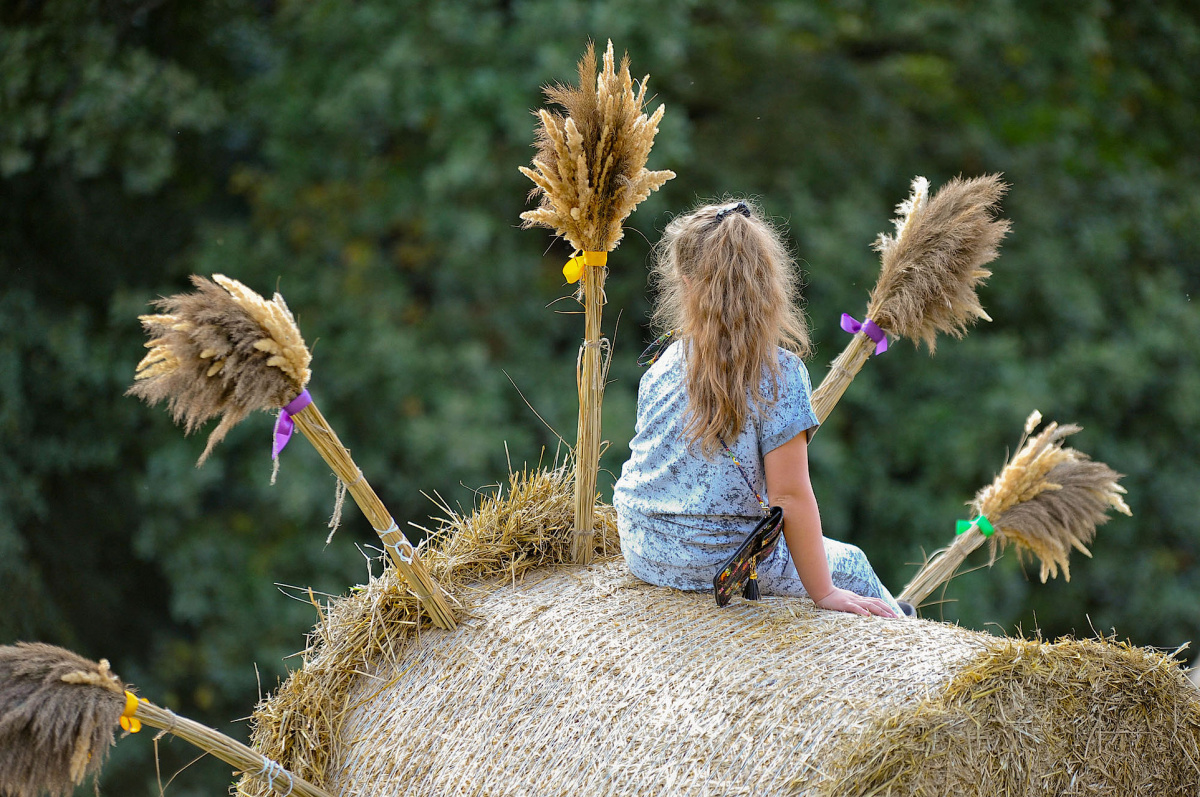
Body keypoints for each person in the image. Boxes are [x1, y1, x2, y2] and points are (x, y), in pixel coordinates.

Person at [613, 199, 906, 619]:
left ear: (684, 282)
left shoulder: (663, 361)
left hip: (642, 545)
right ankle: (907, 635)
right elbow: (789, 496)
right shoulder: (780, 372)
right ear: (769, 283)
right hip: (715, 561)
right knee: (854, 564)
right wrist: (823, 593)